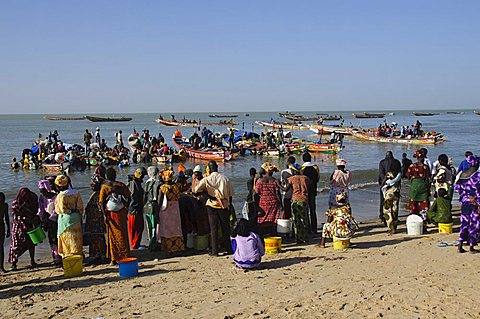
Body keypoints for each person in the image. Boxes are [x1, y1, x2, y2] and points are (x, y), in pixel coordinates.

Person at [194, 161, 234, 256]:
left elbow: (196, 190)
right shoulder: (225, 178)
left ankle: (214, 251)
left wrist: (207, 194)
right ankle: (229, 249)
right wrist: (229, 206)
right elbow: (230, 194)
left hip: (211, 205)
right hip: (224, 205)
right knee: (225, 228)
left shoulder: (206, 179)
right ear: (217, 167)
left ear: (208, 168)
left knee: (213, 228)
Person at [99, 168, 131, 264]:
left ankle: (113, 258)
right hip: (121, 213)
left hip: (110, 213)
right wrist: (126, 208)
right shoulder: (121, 185)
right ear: (115, 176)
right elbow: (129, 197)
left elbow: (101, 202)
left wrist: (105, 215)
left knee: (112, 235)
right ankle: (124, 254)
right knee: (123, 233)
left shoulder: (105, 187)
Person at [8, 188, 39, 271]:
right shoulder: (16, 203)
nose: (26, 197)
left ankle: (32, 261)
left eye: (27, 196)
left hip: (29, 225)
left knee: (31, 243)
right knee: (16, 244)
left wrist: (35, 220)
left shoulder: (32, 199)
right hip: (18, 226)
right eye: (25, 196)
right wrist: (24, 219)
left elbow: (36, 210)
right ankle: (13, 263)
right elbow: (15, 216)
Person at [455, 155, 480, 253]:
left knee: (464, 223)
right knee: (474, 223)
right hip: (475, 203)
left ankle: (460, 245)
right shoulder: (477, 175)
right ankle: (471, 246)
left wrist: (466, 195)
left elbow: (458, 188)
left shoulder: (463, 174)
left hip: (464, 202)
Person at [54, 175, 84, 258]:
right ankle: (78, 254)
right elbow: (81, 207)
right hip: (76, 218)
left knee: (67, 239)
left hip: (65, 219)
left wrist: (69, 211)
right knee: (76, 239)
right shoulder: (76, 193)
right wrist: (77, 214)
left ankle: (68, 256)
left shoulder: (61, 196)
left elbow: (61, 210)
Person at [157, 167, 185, 253]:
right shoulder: (177, 186)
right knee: (176, 228)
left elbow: (159, 201)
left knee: (166, 229)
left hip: (166, 209)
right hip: (175, 209)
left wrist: (157, 212)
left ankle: (167, 247)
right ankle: (178, 246)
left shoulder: (163, 188)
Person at [37, 180, 61, 265]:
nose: (42, 193)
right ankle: (55, 256)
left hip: (56, 220)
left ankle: (60, 256)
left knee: (56, 238)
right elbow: (40, 210)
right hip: (48, 220)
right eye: (41, 191)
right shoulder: (42, 198)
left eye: (43, 191)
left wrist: (51, 219)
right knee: (51, 239)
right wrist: (42, 221)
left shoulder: (56, 197)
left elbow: (57, 210)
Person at [255, 162, 282, 237]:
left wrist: (256, 205)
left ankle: (262, 235)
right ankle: (273, 234)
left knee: (262, 219)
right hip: (274, 202)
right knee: (273, 220)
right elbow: (278, 193)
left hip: (263, 202)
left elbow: (256, 193)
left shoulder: (260, 181)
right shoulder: (275, 181)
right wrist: (281, 203)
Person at [286, 164, 311, 243]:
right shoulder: (306, 178)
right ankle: (306, 237)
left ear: (293, 171)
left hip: (296, 200)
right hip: (304, 200)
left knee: (296, 220)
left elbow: (286, 189)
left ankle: (298, 238)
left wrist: (279, 185)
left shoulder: (291, 179)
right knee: (305, 219)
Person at [85, 175, 107, 262]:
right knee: (95, 237)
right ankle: (98, 254)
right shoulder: (96, 194)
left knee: (98, 237)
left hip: (97, 221)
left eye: (93, 183)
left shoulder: (99, 195)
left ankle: (99, 254)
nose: (91, 185)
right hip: (94, 221)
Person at [378, 151, 401, 223]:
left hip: (385, 185)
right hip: (395, 185)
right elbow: (399, 173)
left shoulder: (382, 162)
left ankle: (383, 217)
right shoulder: (397, 162)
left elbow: (381, 173)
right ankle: (395, 218)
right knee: (395, 203)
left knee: (384, 201)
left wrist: (382, 183)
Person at [406, 150, 431, 215]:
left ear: (416, 158)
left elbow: (408, 176)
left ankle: (413, 218)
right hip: (423, 186)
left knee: (413, 203)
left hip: (414, 187)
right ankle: (424, 220)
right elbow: (428, 178)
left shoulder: (412, 166)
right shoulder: (426, 167)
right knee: (424, 204)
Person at [301, 152, 320, 233]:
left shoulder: (302, 168)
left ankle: (307, 228)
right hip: (313, 191)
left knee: (305, 211)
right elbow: (318, 178)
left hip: (304, 191)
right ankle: (314, 228)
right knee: (313, 210)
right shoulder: (315, 167)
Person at [128, 168, 146, 249]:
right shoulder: (133, 184)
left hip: (137, 209)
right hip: (134, 210)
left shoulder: (137, 183)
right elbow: (132, 197)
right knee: (135, 229)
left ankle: (136, 244)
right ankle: (134, 245)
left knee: (139, 227)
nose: (142, 177)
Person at [144, 166, 160, 250]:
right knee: (154, 226)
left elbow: (144, 195)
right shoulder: (158, 182)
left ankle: (151, 242)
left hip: (147, 206)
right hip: (154, 205)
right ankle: (153, 244)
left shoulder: (147, 182)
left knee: (149, 225)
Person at [0, 192, 11, 272]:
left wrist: (8, 229)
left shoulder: (5, 205)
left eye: (2, 199)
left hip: (1, 226)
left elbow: (7, 217)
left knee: (1, 247)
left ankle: (1, 266)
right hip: (1, 226)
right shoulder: (4, 205)